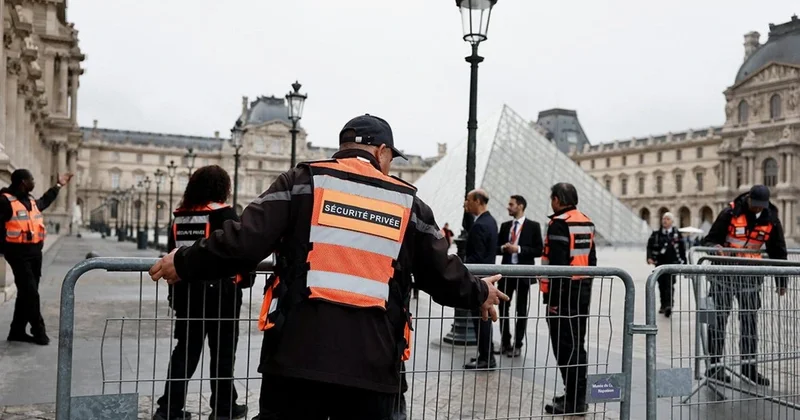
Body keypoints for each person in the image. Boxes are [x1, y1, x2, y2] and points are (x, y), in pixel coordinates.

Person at [149, 114, 508, 420]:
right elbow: (441, 272)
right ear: (382, 152)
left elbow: (243, 241)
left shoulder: (302, 182)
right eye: (391, 159)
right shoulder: (407, 202)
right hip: (374, 363)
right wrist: (480, 292)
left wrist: (183, 261)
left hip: (295, 357)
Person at [153, 165, 250, 420]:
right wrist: (245, 280)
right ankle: (223, 407)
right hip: (221, 294)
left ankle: (168, 409)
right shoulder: (225, 214)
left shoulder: (180, 216)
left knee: (185, 352)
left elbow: (172, 253)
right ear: (222, 188)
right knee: (223, 353)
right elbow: (238, 251)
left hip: (187, 293)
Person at [702, 184, 787, 385]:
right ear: (748, 199)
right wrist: (715, 247)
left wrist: (782, 281)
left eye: (761, 206)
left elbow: (778, 250)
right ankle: (714, 367)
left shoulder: (771, 219)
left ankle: (749, 368)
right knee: (718, 322)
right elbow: (709, 240)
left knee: (749, 324)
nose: (758, 209)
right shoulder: (730, 213)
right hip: (723, 276)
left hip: (750, 277)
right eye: (755, 205)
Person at [540, 183, 596, 416]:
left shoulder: (559, 224)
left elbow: (558, 267)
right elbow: (591, 260)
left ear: (557, 199)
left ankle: (574, 401)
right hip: (581, 292)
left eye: (552, 198)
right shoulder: (586, 221)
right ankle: (576, 395)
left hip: (562, 297)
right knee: (577, 345)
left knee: (564, 347)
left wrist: (553, 300)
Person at [1, 169, 72, 345]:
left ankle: (16, 331)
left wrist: (58, 185)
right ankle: (38, 330)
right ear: (24, 182)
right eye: (31, 179)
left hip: (35, 255)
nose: (33, 182)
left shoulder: (30, 200)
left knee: (26, 294)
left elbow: (45, 201)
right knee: (31, 293)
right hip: (18, 254)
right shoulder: (4, 201)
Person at [494, 195, 542, 357]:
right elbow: (496, 248)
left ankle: (518, 344)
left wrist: (519, 249)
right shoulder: (505, 226)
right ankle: (505, 342)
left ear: (520, 206)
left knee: (521, 310)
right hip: (506, 274)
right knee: (503, 309)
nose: (508, 207)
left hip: (523, 274)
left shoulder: (533, 226)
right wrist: (503, 248)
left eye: (511, 204)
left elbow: (538, 250)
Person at [462, 189, 499, 370]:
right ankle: (486, 355)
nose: (465, 203)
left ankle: (486, 358)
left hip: (480, 281)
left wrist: (462, 268)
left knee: (481, 320)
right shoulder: (490, 221)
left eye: (468, 200)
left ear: (477, 201)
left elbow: (475, 257)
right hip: (487, 279)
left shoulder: (480, 225)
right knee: (483, 320)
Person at [646, 212, 686, 317]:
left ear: (672, 221)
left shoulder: (677, 234)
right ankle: (663, 305)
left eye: (667, 219)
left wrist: (685, 263)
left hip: (673, 263)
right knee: (661, 285)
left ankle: (669, 305)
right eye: (664, 218)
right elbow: (649, 246)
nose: (665, 220)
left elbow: (682, 249)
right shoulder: (656, 234)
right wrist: (649, 257)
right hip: (659, 263)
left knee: (670, 284)